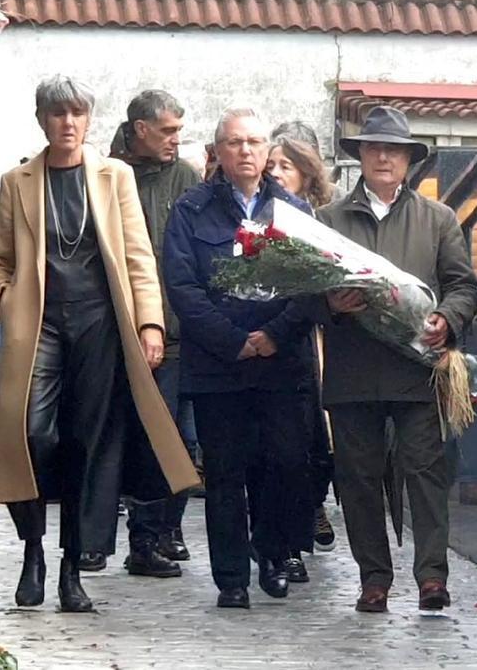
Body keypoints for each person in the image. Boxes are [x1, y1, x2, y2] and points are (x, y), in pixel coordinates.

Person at [0, 75, 199, 612]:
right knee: (30, 435)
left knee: (86, 445)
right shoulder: (17, 181)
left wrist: (150, 324)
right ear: (42, 120)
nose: (68, 124)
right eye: (58, 114)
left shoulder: (113, 175)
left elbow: (138, 254)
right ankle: (32, 548)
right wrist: (5, 298)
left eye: (77, 114)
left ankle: (71, 568)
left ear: (89, 120)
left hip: (101, 324)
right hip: (41, 326)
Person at [312, 106, 477, 613]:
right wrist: (330, 306)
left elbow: (463, 286)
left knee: (425, 473)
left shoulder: (439, 219)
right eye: (374, 148)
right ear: (360, 156)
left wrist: (447, 319)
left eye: (394, 149)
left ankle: (432, 577)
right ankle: (374, 580)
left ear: (409, 160)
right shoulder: (328, 221)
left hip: (417, 370)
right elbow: (304, 296)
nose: (384, 157)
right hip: (354, 371)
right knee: (357, 478)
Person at [163, 107, 317, 609]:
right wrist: (234, 340)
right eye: (234, 143)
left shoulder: (294, 211)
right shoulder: (191, 211)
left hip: (281, 364)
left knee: (286, 463)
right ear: (218, 152)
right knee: (226, 473)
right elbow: (183, 287)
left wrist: (274, 335)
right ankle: (231, 577)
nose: (245, 151)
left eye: (254, 142)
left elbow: (314, 283)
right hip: (218, 367)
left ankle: (272, 553)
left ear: (268, 150)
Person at [72, 90, 203, 578]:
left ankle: (153, 537)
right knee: (103, 435)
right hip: (108, 330)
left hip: (167, 332)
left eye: (178, 130)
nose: (176, 140)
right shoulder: (101, 176)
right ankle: (91, 540)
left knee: (162, 437)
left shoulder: (186, 177)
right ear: (140, 128)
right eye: (167, 130)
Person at [262, 135, 337, 581]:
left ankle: (311, 510)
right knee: (280, 451)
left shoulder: (321, 220)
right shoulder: (256, 218)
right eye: (271, 164)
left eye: (285, 165)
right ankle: (287, 540)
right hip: (270, 344)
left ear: (306, 174)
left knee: (318, 445)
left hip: (313, 344)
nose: (275, 172)